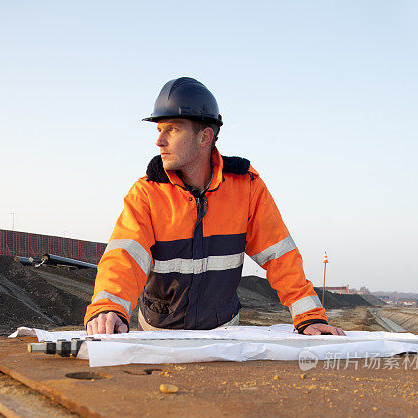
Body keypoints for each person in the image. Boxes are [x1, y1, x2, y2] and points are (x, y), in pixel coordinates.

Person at [85, 77, 345, 337]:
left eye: (172, 129)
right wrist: (110, 307)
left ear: (205, 137)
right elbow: (125, 257)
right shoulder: (147, 193)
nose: (159, 141)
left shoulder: (246, 188)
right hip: (159, 335)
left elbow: (280, 256)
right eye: (159, 130)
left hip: (222, 336)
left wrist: (309, 316)